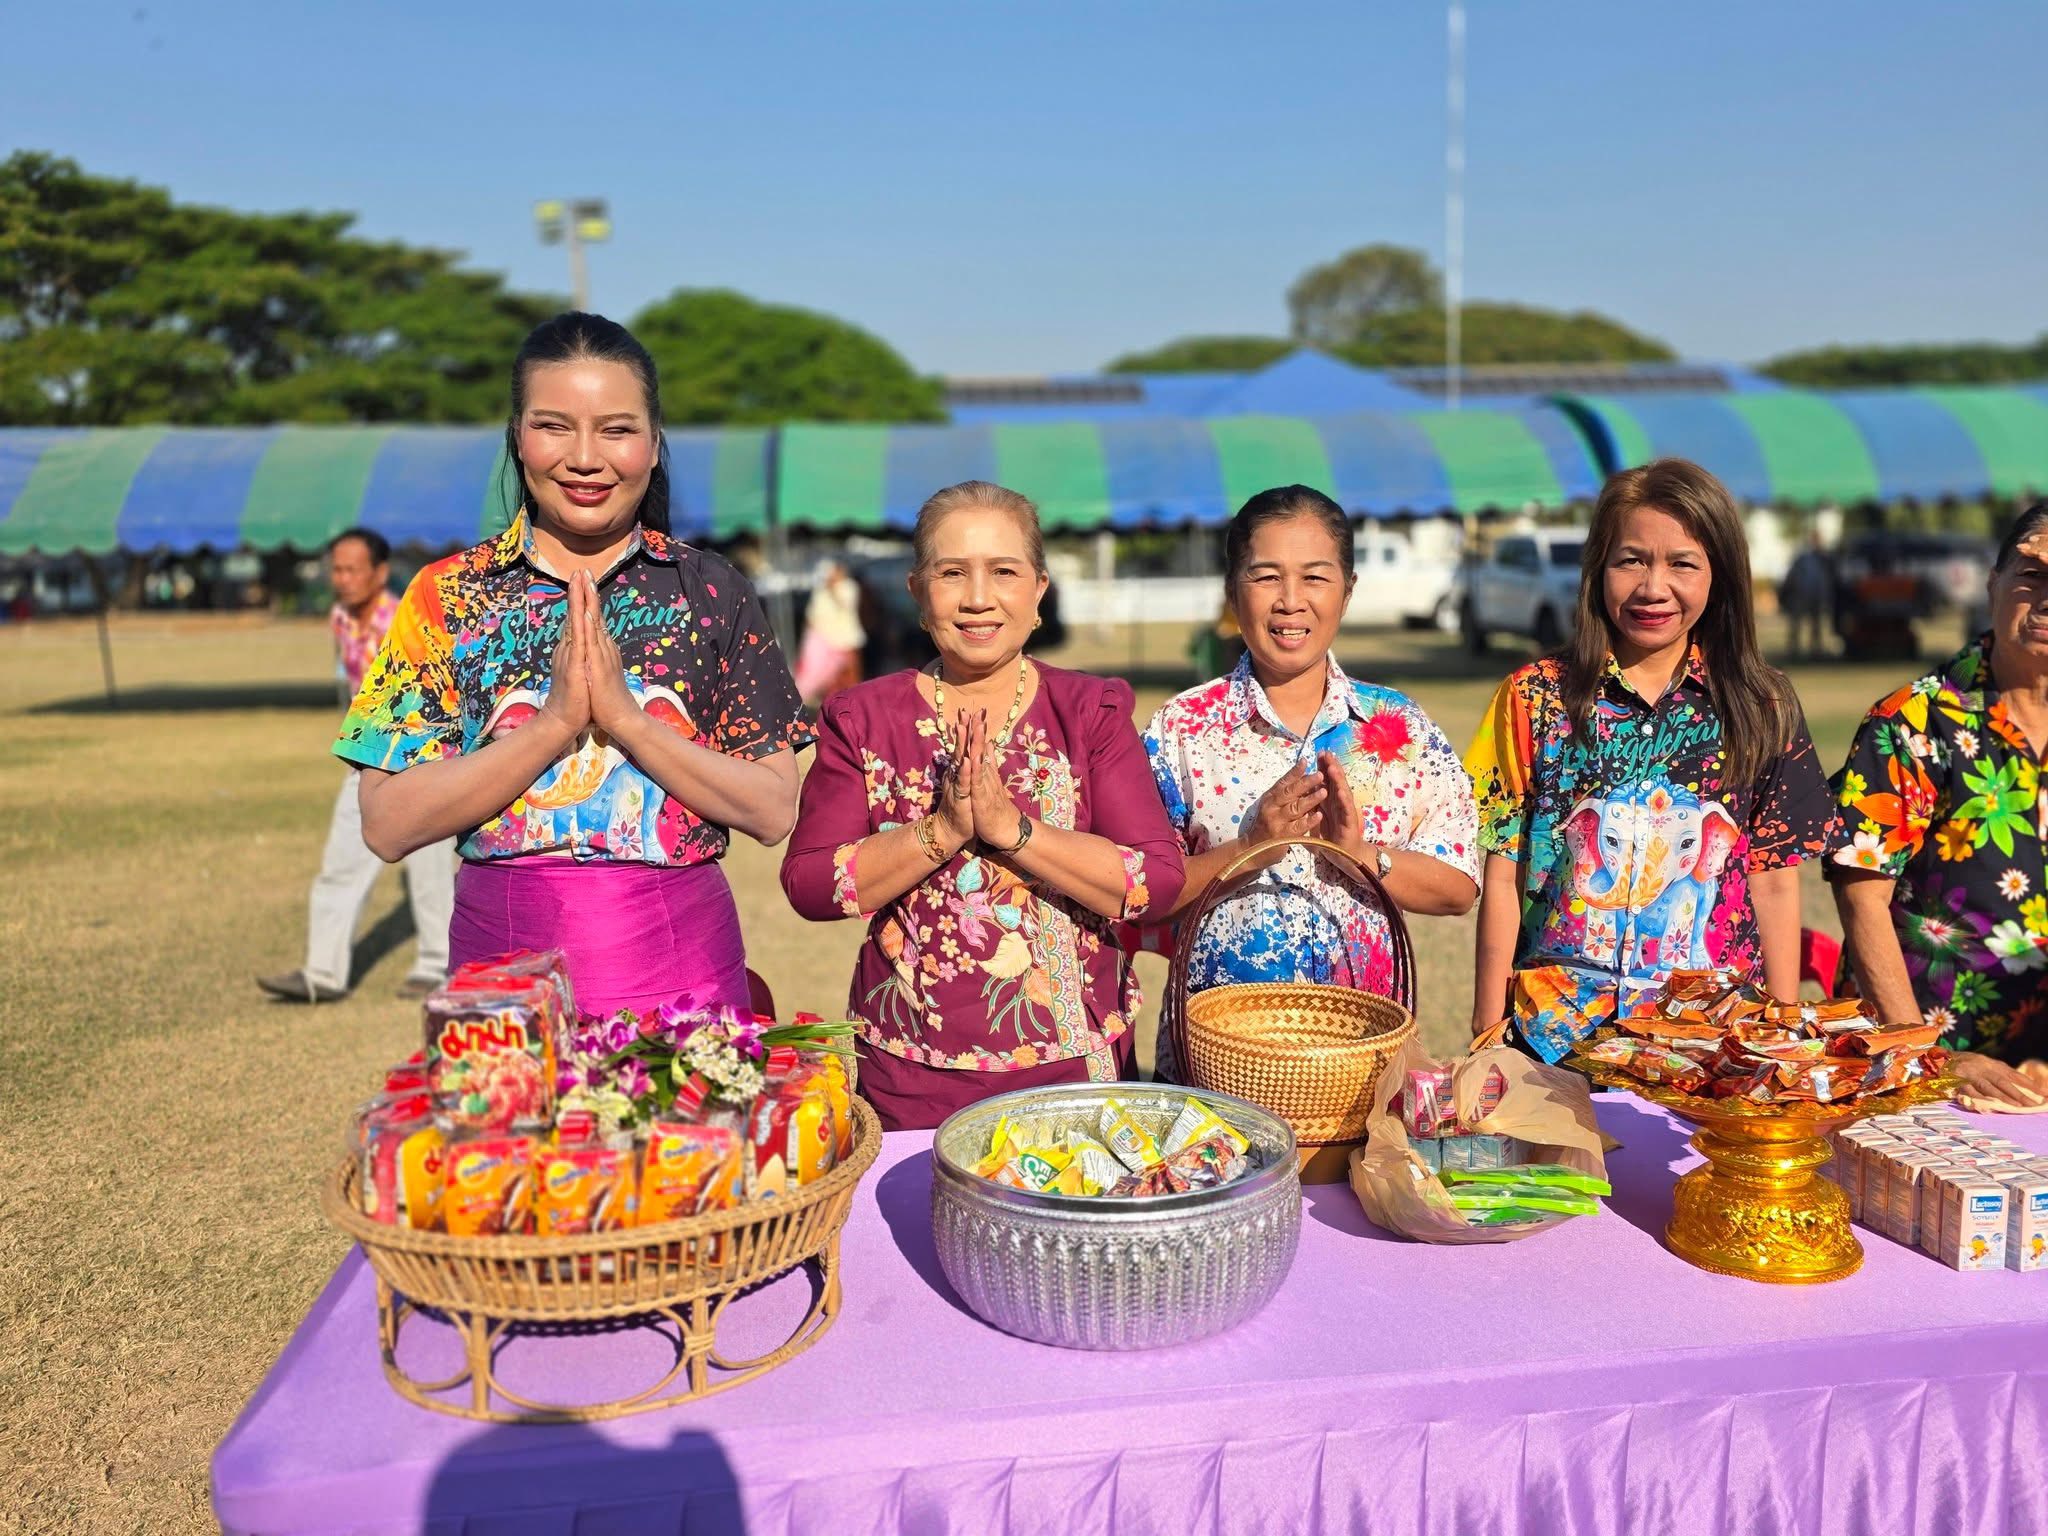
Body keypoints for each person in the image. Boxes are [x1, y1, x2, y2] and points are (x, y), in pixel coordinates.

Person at [336, 313, 810, 1016]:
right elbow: (387, 824)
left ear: (653, 445)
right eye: (553, 425)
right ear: (516, 438)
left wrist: (627, 720)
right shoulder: (448, 596)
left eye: (617, 430)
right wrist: (554, 724)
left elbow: (772, 810)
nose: (585, 458)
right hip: (503, 987)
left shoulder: (711, 591)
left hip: (684, 975)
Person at [781, 481, 1185, 1131]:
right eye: (951, 573)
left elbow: (1156, 881)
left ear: (1038, 592)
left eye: (1003, 571)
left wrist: (1015, 832)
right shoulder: (861, 718)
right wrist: (940, 832)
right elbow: (809, 884)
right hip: (909, 1080)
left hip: (1072, 1076)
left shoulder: (1090, 712)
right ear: (916, 592)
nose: (977, 598)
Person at [1465, 460, 1834, 1062]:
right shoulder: (1532, 697)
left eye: (1682, 563)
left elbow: (1772, 879)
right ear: (1598, 569)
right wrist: (1486, 1033)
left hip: (1713, 1040)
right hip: (1556, 1039)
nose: (1653, 588)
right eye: (1631, 559)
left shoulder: (1764, 704)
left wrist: (1782, 1029)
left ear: (1722, 575)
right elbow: (1502, 874)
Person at [1144, 486, 1478, 1074]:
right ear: (1232, 591)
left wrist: (1359, 855)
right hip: (1216, 1065)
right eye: (1266, 577)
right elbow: (1137, 899)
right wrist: (1247, 849)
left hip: (1361, 1063)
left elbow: (1458, 888)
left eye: (1316, 578)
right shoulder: (1180, 729)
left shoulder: (1398, 727)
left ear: (1347, 592)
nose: (1290, 602)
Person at [1824, 502, 2048, 1110]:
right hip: (1916, 1069)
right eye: (2031, 575)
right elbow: (1860, 895)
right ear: (1993, 583)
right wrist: (1925, 1057)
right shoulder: (1915, 722)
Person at [259, 528, 457, 1003]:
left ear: (380, 573)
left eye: (352, 570)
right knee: (339, 866)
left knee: (429, 872)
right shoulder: (341, 619)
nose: (341, 579)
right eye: (336, 569)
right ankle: (322, 975)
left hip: (421, 764)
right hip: (364, 763)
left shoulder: (407, 619)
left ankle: (437, 966)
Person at [793, 558, 866, 707]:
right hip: (826, 642)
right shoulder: (820, 591)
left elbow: (846, 605)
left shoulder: (849, 587)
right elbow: (812, 615)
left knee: (850, 678)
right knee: (831, 682)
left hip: (846, 640)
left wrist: (833, 589)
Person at [1779, 530, 1835, 658]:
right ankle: (1793, 649)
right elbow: (1793, 575)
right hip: (1801, 593)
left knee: (1816, 624)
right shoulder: (1803, 557)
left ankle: (1816, 650)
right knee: (1796, 623)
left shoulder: (1824, 558)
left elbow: (1828, 578)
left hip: (1816, 595)